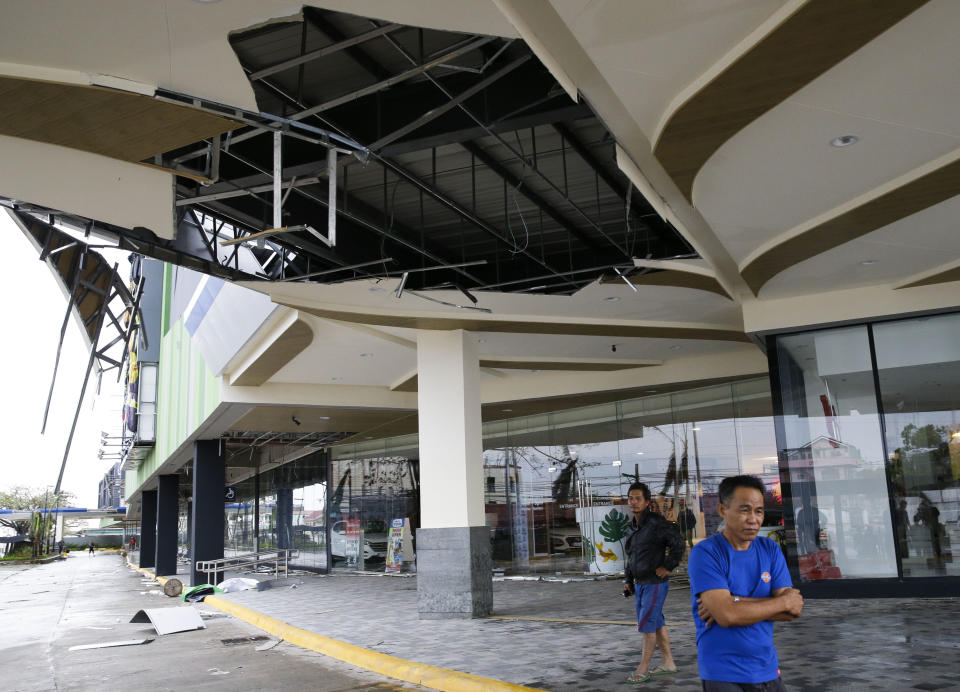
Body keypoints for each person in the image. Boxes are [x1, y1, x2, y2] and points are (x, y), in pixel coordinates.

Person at [689, 475, 803, 691]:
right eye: (744, 510)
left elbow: (794, 608)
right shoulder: (706, 553)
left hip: (767, 668)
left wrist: (735, 600)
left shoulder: (770, 550)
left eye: (758, 511)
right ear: (723, 510)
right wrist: (779, 602)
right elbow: (727, 615)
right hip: (723, 673)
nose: (753, 518)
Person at [623, 482, 685, 684]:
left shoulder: (656, 523)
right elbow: (631, 557)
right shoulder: (632, 527)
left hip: (655, 583)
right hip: (640, 583)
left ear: (647, 501)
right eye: (631, 498)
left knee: (647, 624)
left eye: (638, 498)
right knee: (656, 623)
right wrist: (628, 581)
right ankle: (668, 663)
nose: (633, 502)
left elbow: (678, 543)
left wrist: (668, 566)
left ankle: (643, 667)